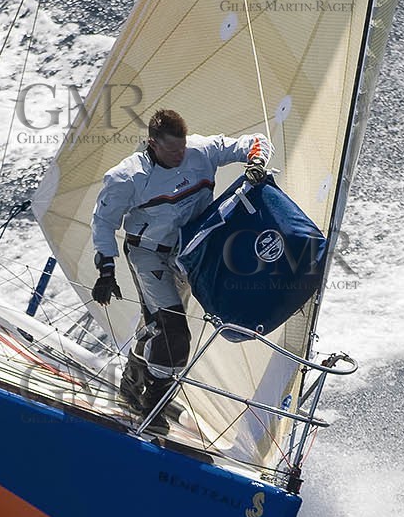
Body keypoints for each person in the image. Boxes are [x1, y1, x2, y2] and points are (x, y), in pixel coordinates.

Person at [91, 109, 270, 433]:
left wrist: (256, 162)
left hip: (190, 255)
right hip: (149, 255)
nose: (179, 156)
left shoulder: (201, 151)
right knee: (174, 334)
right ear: (152, 144)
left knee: (159, 327)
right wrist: (106, 269)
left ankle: (133, 383)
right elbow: (103, 223)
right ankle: (152, 406)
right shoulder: (128, 176)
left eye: (182, 149)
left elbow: (255, 142)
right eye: (172, 151)